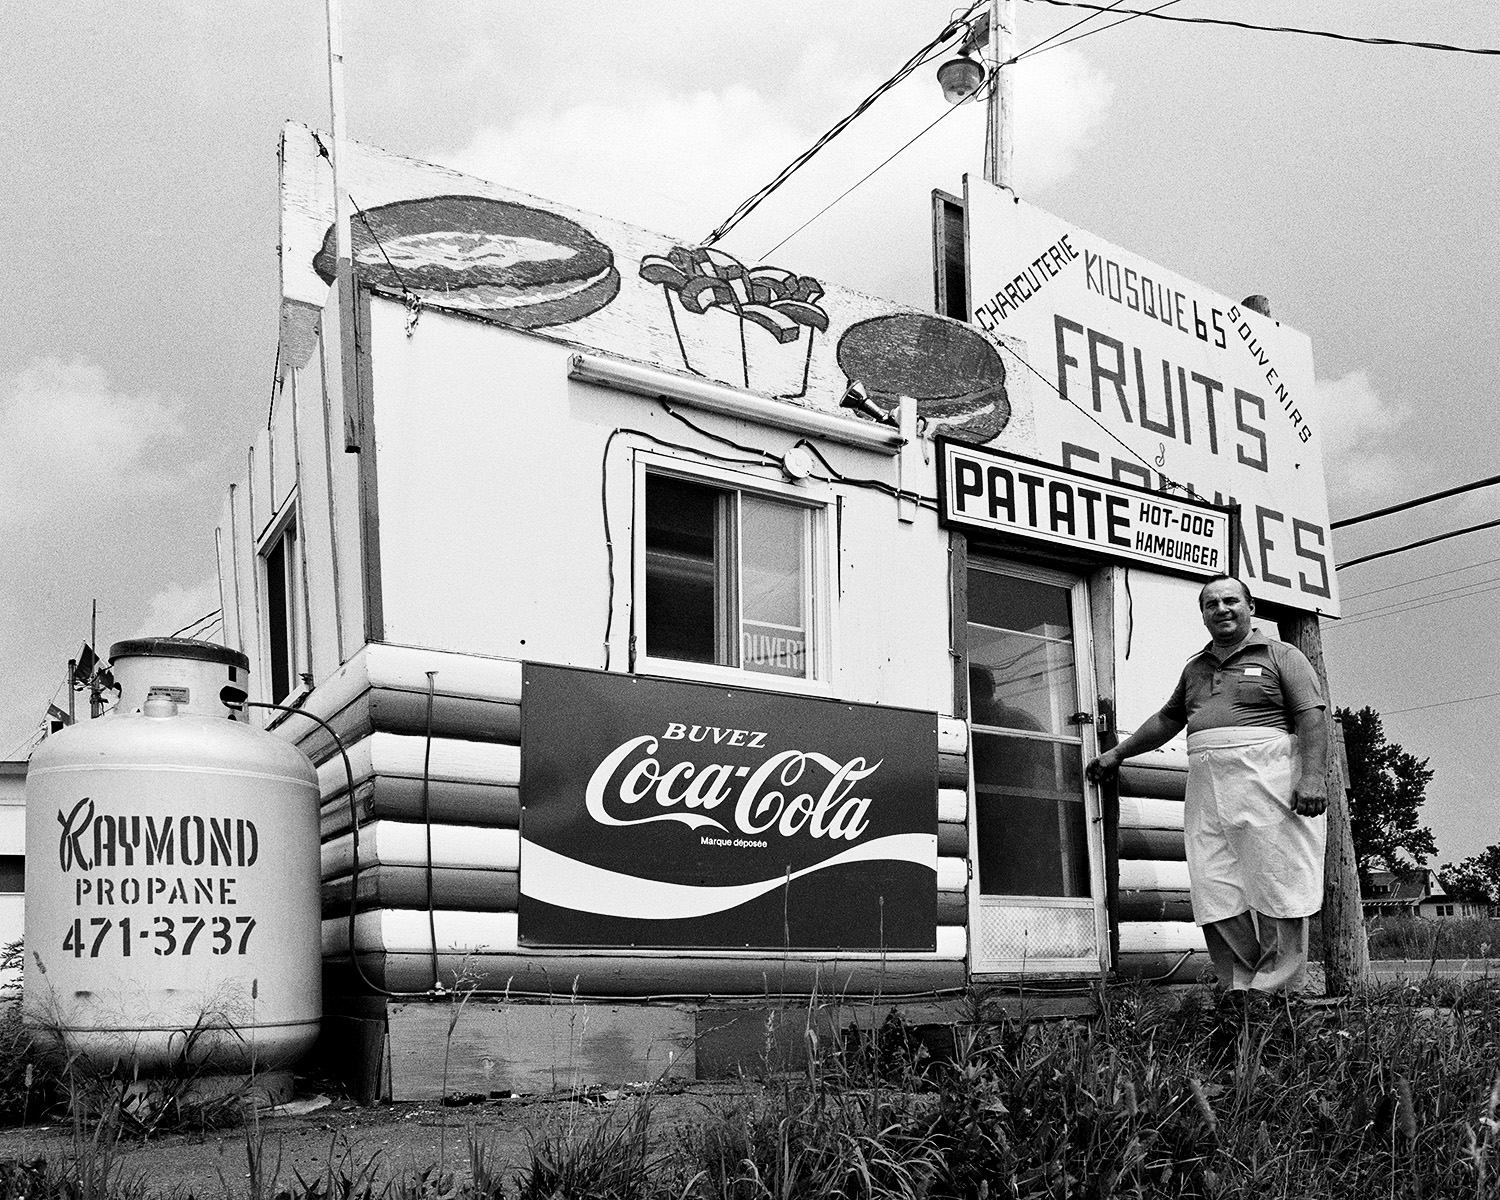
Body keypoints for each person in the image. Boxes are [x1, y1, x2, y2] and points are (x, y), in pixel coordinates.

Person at [1086, 574, 1329, 995]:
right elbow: (1167, 719)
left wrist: (1312, 776)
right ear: (1203, 615)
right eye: (1211, 603)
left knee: (1276, 880)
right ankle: (1241, 987)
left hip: (1267, 778)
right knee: (1213, 884)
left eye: (1230, 600)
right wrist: (1118, 753)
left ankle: (1274, 991)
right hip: (1207, 783)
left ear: (1250, 607)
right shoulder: (1195, 668)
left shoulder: (1281, 655)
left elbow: (1312, 715)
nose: (1221, 609)